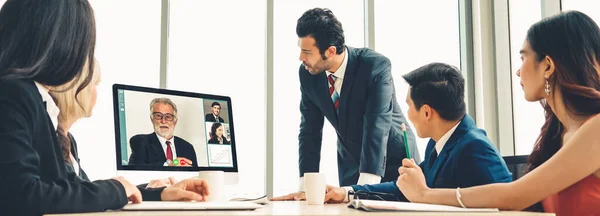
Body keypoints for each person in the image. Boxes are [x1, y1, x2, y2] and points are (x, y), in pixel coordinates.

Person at [0, 0, 209, 215]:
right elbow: (21, 196)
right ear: (61, 41)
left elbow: (70, 191)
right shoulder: (16, 94)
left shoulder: (33, 100)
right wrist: (115, 188)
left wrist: (156, 193)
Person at [395, 11, 600, 216]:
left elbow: (515, 196)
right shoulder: (558, 136)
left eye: (523, 57)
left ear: (547, 66)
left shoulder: (596, 129)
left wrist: (424, 194)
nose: (518, 71)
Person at [272, 8, 419, 201]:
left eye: (307, 52)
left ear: (330, 51)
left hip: (391, 161)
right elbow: (309, 131)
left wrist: (364, 189)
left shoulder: (375, 66)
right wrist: (307, 188)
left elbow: (377, 126)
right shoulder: (308, 73)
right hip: (350, 161)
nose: (301, 58)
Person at [322, 63, 512, 203]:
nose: (408, 115)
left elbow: (507, 202)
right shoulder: (438, 142)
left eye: (409, 106)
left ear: (427, 112)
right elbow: (404, 188)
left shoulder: (475, 147)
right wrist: (347, 192)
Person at [51, 60, 176, 188]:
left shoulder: (68, 140)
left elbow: (86, 191)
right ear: (75, 88)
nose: (96, 92)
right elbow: (80, 193)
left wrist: (147, 189)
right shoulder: (51, 139)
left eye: (169, 117)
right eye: (95, 84)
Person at [128, 98, 198, 167]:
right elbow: (135, 168)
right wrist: (169, 165)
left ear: (175, 121)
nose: (163, 121)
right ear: (152, 119)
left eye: (168, 117)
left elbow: (196, 175)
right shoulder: (140, 142)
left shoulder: (187, 147)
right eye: (158, 116)